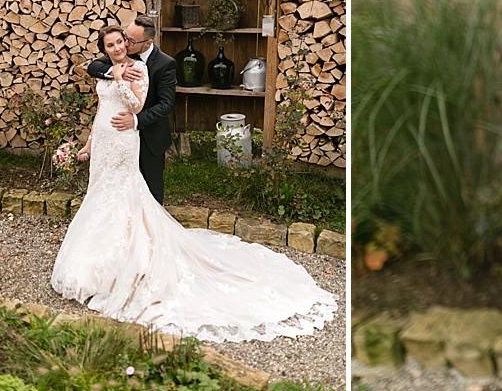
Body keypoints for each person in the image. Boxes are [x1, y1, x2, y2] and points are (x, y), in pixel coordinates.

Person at [52, 26, 336, 343]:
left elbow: (136, 106)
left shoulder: (139, 68)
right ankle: (95, 255)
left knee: (129, 195)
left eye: (123, 41)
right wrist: (90, 142)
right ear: (106, 47)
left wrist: (120, 80)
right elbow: (101, 107)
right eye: (113, 43)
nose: (120, 46)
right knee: (100, 194)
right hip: (104, 142)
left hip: (124, 141)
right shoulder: (104, 68)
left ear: (138, 42)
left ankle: (136, 255)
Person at [85, 15, 174, 204]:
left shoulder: (165, 64)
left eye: (130, 40)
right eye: (125, 36)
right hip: (114, 137)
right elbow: (93, 67)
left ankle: (151, 230)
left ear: (148, 42)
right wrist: (118, 73)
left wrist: (135, 120)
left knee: (150, 191)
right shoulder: (120, 54)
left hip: (150, 134)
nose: (124, 43)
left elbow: (166, 105)